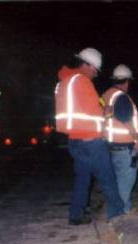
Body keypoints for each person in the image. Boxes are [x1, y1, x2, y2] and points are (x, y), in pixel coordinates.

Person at [54, 47, 125, 225]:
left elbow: (77, 110)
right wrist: (107, 111)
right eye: (94, 69)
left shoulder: (63, 82)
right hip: (91, 141)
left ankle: (76, 215)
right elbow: (95, 113)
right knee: (108, 178)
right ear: (86, 65)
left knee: (82, 178)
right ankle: (117, 216)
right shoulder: (83, 82)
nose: (95, 74)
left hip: (74, 141)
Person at [101, 64, 138, 214]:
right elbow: (126, 120)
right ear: (127, 81)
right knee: (126, 180)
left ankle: (117, 209)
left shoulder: (107, 95)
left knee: (118, 180)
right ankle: (122, 211)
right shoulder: (121, 97)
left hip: (111, 145)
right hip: (125, 147)